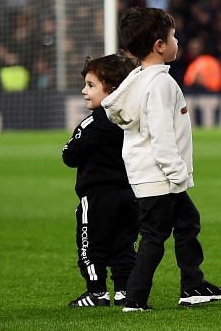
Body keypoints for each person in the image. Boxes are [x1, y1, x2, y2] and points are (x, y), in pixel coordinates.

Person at [102, 7, 221, 312]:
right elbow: (161, 135)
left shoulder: (139, 80)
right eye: (173, 36)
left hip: (150, 175)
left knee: (187, 222)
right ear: (159, 45)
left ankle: (193, 285)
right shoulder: (161, 84)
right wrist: (177, 175)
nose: (177, 41)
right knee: (154, 238)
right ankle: (135, 298)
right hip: (161, 178)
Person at [61, 54, 139, 308]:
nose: (84, 91)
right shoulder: (131, 121)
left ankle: (96, 292)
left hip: (96, 197)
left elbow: (69, 155)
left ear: (113, 90)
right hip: (130, 195)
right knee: (124, 245)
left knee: (90, 244)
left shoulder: (92, 123)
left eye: (91, 85)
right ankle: (123, 290)